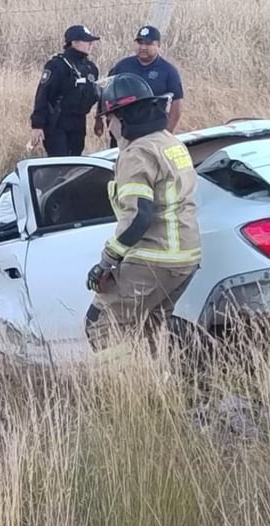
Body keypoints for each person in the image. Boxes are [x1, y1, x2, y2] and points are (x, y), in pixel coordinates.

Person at [84, 72, 200, 352]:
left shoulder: (137, 153)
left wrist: (106, 262)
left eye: (107, 119)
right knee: (150, 329)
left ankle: (116, 391)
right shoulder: (170, 142)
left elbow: (139, 216)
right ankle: (152, 387)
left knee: (101, 325)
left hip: (155, 257)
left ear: (121, 117)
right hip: (186, 257)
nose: (108, 127)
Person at [29, 24, 105, 157]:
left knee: (75, 162)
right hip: (57, 123)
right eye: (87, 41)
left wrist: (99, 117)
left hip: (79, 122)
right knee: (60, 162)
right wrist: (37, 125)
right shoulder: (57, 65)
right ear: (74, 42)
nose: (91, 44)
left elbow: (97, 94)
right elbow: (43, 94)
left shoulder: (90, 68)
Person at [104, 25, 184, 147]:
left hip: (153, 133)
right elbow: (108, 95)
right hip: (124, 133)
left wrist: (167, 133)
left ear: (158, 45)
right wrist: (115, 129)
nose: (143, 47)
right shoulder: (122, 66)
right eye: (140, 43)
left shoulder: (168, 71)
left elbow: (176, 105)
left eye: (148, 44)